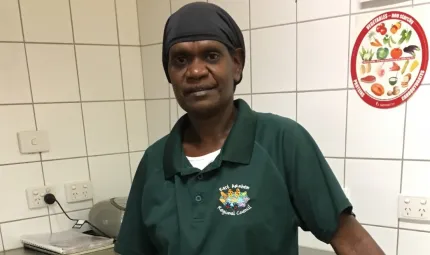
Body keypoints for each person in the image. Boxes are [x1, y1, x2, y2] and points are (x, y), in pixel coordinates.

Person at [114, 2, 385, 255]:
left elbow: (351, 240)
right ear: (168, 73)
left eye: (210, 55)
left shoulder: (282, 142)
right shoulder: (155, 162)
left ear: (237, 64)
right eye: (181, 60)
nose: (195, 72)